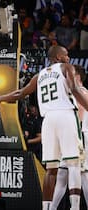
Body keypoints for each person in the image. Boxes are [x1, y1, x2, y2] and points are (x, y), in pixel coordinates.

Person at [0, 45, 88, 210]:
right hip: (65, 115)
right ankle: (75, 207)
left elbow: (20, 93)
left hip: (47, 120)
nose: (68, 58)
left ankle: (46, 207)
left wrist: (1, 98)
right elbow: (74, 89)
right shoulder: (65, 67)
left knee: (51, 169)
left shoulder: (39, 75)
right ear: (58, 57)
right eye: (66, 55)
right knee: (74, 164)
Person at [49, 65, 88, 210]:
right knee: (62, 176)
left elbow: (79, 117)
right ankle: (52, 208)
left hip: (80, 137)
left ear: (76, 76)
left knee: (83, 175)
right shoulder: (74, 94)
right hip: (70, 137)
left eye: (69, 75)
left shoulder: (81, 92)